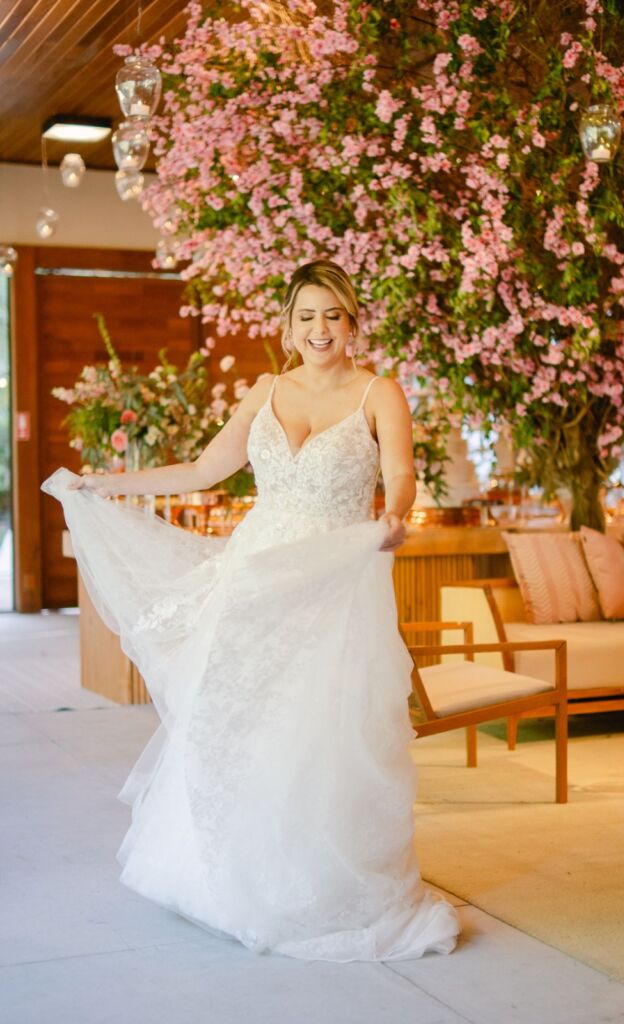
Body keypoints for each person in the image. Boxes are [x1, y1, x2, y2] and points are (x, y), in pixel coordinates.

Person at [42, 258, 460, 961]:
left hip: (331, 579)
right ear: (288, 325)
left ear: (352, 321)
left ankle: (315, 884)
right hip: (254, 575)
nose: (319, 329)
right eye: (306, 316)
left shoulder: (378, 392)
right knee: (230, 717)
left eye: (332, 315)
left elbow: (402, 472)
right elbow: (203, 471)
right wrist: (106, 483)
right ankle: (222, 876)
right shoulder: (266, 390)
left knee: (318, 730)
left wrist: (394, 512)